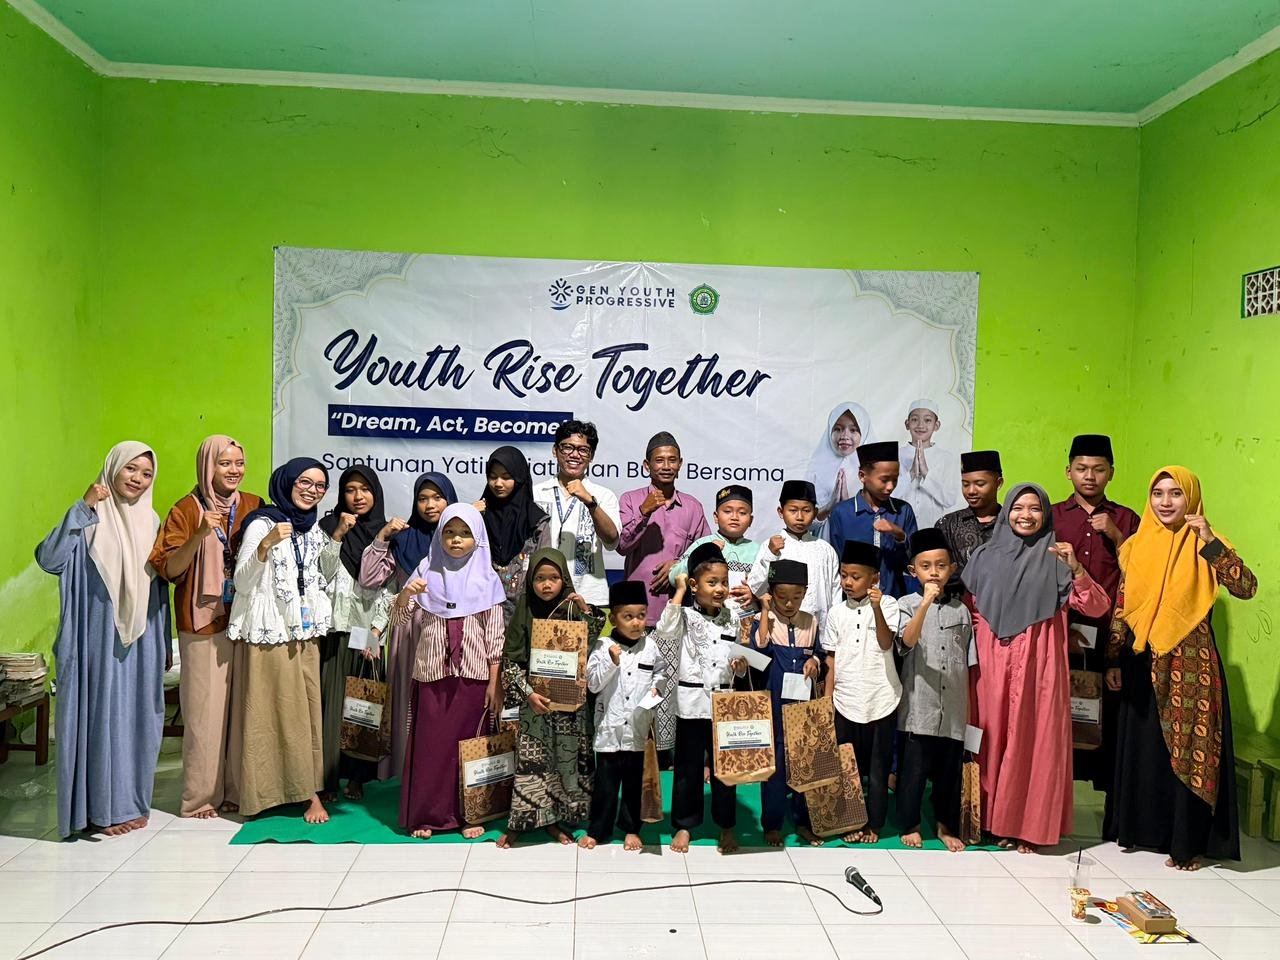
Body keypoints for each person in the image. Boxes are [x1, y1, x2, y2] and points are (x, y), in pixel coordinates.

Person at [1105, 467, 1256, 871]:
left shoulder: (1207, 543)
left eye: (1175, 493)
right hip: (1142, 658)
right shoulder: (1136, 545)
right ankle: (1148, 833)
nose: (1166, 501)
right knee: (1149, 748)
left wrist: (1209, 540)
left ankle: (1189, 842)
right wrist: (1113, 658)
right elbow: (1124, 604)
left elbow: (1245, 587)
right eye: (1158, 493)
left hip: (1192, 664)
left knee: (1191, 750)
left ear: (1191, 498)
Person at [962, 483, 1109, 852]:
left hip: (1039, 662)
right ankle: (989, 820)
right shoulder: (984, 556)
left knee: (1033, 738)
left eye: (1035, 508)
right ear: (1006, 512)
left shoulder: (1058, 557)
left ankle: (1027, 826)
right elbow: (971, 610)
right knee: (990, 737)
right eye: (1018, 507)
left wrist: (1077, 569)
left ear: (1046, 514)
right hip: (991, 661)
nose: (1025, 515)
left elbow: (1097, 607)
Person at [37, 442, 169, 838]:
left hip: (141, 638)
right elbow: (50, 559)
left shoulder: (152, 520)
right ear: (112, 469)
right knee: (100, 716)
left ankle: (129, 804)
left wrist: (163, 641)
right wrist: (83, 507)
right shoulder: (89, 517)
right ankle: (97, 811)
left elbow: (159, 587)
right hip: (96, 635)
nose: (137, 479)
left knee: (138, 719)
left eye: (146, 474)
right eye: (130, 469)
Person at [149, 435, 262, 818]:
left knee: (242, 712)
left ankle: (236, 790)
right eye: (224, 463)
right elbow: (169, 569)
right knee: (204, 714)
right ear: (207, 466)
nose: (234, 470)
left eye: (239, 463)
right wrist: (199, 533)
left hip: (245, 621)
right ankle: (200, 797)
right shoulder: (185, 510)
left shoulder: (253, 505)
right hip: (201, 624)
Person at [226, 457, 333, 823]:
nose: (312, 491)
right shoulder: (261, 523)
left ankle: (307, 790)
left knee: (305, 714)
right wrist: (265, 545)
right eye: (305, 482)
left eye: (319, 485)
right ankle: (263, 794)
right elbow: (242, 582)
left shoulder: (312, 526)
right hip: (269, 634)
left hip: (304, 634)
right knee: (269, 715)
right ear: (287, 482)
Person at [394, 503, 506, 839]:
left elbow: (495, 636)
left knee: (470, 747)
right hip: (432, 674)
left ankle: (470, 814)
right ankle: (428, 816)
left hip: (473, 676)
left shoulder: (488, 578)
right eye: (450, 532)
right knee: (432, 748)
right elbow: (398, 620)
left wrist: (495, 682)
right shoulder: (426, 571)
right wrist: (405, 595)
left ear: (478, 538)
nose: (456, 540)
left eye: (465, 533)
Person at [1050, 434, 1140, 793]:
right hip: (1062, 629)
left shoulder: (1127, 519)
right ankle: (1056, 796)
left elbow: (1141, 573)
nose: (1090, 476)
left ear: (1111, 473)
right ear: (1068, 471)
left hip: (1110, 633)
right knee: (1058, 712)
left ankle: (1108, 803)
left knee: (1108, 716)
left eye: (1099, 469)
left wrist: (1116, 535)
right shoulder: (1051, 516)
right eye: (1082, 468)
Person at [500, 548, 603, 847]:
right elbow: (510, 661)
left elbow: (590, 645)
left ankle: (559, 821)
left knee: (566, 762)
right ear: (530, 581)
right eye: (540, 578)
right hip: (536, 706)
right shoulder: (524, 610)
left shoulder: (573, 610)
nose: (546, 585)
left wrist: (585, 611)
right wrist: (529, 694)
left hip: (570, 707)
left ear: (564, 580)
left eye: (554, 578)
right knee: (533, 765)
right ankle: (524, 820)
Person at [358, 472, 458, 780]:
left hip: (449, 629)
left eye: (437, 497)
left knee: (442, 702)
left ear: (450, 500)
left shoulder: (459, 538)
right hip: (408, 628)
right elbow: (369, 579)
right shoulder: (403, 539)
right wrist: (382, 536)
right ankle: (408, 770)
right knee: (407, 700)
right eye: (422, 498)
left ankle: (439, 770)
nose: (430, 505)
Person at [662, 543, 748, 853]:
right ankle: (685, 825)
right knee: (688, 767)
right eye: (712, 582)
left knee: (726, 767)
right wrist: (679, 591)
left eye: (724, 582)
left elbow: (739, 658)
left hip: (724, 702)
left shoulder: (732, 617)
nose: (720, 588)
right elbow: (664, 630)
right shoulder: (684, 615)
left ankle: (726, 826)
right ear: (695, 585)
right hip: (692, 704)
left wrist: (740, 666)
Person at [665, 484, 760, 752]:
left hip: (742, 629)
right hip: (706, 626)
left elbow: (768, 589)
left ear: (751, 519)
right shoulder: (704, 543)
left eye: (742, 512)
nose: (735, 516)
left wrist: (754, 593)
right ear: (716, 517)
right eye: (728, 511)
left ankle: (738, 756)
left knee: (738, 695)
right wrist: (704, 552)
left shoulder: (758, 549)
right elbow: (674, 576)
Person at [317, 466, 393, 800]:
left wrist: (376, 631)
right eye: (350, 489)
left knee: (363, 706)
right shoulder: (327, 527)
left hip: (366, 631)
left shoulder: (387, 534)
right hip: (335, 629)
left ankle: (358, 777)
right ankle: (328, 777)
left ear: (376, 493)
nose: (358, 496)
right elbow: (321, 574)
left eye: (365, 489)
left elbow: (391, 589)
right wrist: (338, 535)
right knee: (331, 706)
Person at [895, 528, 972, 852]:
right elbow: (905, 643)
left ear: (952, 568)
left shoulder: (961, 611)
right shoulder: (905, 604)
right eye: (926, 566)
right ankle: (910, 824)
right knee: (913, 772)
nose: (934, 572)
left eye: (941, 565)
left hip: (952, 706)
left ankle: (945, 825)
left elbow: (968, 660)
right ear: (913, 571)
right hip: (919, 706)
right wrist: (925, 603)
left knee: (948, 774)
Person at [823, 541, 901, 843]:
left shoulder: (889, 605)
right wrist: (827, 699)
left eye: (856, 576)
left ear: (874, 578)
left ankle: (875, 824)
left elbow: (885, 642)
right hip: (845, 699)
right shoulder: (836, 612)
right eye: (844, 575)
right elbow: (831, 659)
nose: (848, 582)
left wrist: (877, 608)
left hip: (881, 697)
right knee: (847, 765)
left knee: (878, 768)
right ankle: (849, 820)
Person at [581, 580, 668, 850]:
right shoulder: (602, 646)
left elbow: (661, 674)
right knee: (605, 786)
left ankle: (631, 828)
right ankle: (598, 829)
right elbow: (592, 684)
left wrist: (655, 690)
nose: (636, 622)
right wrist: (611, 661)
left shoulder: (650, 647)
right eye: (628, 616)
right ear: (613, 618)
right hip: (609, 729)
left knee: (633, 784)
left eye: (641, 615)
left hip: (638, 729)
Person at [746, 559, 824, 846]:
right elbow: (760, 650)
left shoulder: (811, 622)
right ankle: (772, 824)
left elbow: (818, 653)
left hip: (802, 707)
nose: (790, 603)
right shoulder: (762, 620)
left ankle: (803, 821)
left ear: (805, 593)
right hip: (773, 705)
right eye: (782, 597)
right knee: (775, 766)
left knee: (804, 762)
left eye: (797, 597)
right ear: (771, 594)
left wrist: (815, 662)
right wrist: (766, 611)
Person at [617, 432, 711, 625]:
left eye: (672, 460)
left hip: (679, 610)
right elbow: (622, 546)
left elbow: (707, 556)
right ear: (647, 465)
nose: (666, 466)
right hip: (637, 612)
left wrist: (680, 564)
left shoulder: (693, 506)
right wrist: (644, 512)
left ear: (680, 464)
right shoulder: (630, 500)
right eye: (659, 460)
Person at [532, 420, 621, 608]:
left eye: (583, 450)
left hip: (589, 597)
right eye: (567, 447)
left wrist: (590, 502)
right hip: (541, 596)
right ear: (555, 451)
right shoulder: (536, 494)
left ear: (591, 456)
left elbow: (612, 541)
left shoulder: (604, 496)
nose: (574, 454)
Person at [826, 440, 918, 597]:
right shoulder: (842, 513)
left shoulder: (903, 511)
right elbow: (837, 565)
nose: (890, 486)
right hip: (854, 604)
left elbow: (912, 565)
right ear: (862, 476)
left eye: (895, 479)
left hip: (894, 601)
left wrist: (900, 535)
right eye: (884, 480)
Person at [747, 480, 841, 628]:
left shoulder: (825, 549)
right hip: (781, 630)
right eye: (793, 510)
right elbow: (757, 589)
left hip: (821, 629)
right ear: (781, 512)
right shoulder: (771, 546)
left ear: (815, 512)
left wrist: (835, 628)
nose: (800, 517)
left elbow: (835, 592)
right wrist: (771, 554)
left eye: (806, 510)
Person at [479, 446, 550, 616]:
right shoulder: (478, 515)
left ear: (519, 478)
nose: (498, 483)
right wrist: (469, 516)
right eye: (493, 477)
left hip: (525, 612)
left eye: (506, 477)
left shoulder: (537, 521)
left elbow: (545, 567)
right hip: (482, 610)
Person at [935, 449, 1004, 578]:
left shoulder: (1011, 523)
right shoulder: (947, 524)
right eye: (965, 484)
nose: (971, 491)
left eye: (980, 484)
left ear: (998, 483)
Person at [806, 401, 876, 528]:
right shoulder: (816, 465)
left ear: (864, 432)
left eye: (853, 430)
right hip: (823, 538)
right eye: (838, 429)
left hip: (861, 538)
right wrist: (829, 507)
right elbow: (805, 524)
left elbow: (883, 521)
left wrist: (849, 506)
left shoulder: (875, 469)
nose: (845, 436)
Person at [896, 399, 961, 529]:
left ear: (936, 425)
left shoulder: (946, 458)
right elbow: (888, 495)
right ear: (907, 424)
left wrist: (926, 473)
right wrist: (911, 474)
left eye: (927, 420)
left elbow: (949, 500)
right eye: (915, 419)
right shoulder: (896, 455)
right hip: (900, 527)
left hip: (933, 529)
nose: (921, 425)